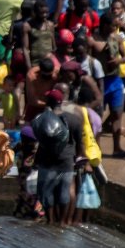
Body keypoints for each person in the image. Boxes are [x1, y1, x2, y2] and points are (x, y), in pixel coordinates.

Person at [31, 88, 84, 226]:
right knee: (64, 192)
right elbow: (79, 143)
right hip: (66, 161)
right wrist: (78, 158)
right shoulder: (74, 119)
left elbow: (39, 141)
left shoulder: (42, 119)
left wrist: (36, 161)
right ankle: (62, 222)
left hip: (47, 161)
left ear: (49, 101)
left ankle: (50, 221)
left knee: (47, 192)